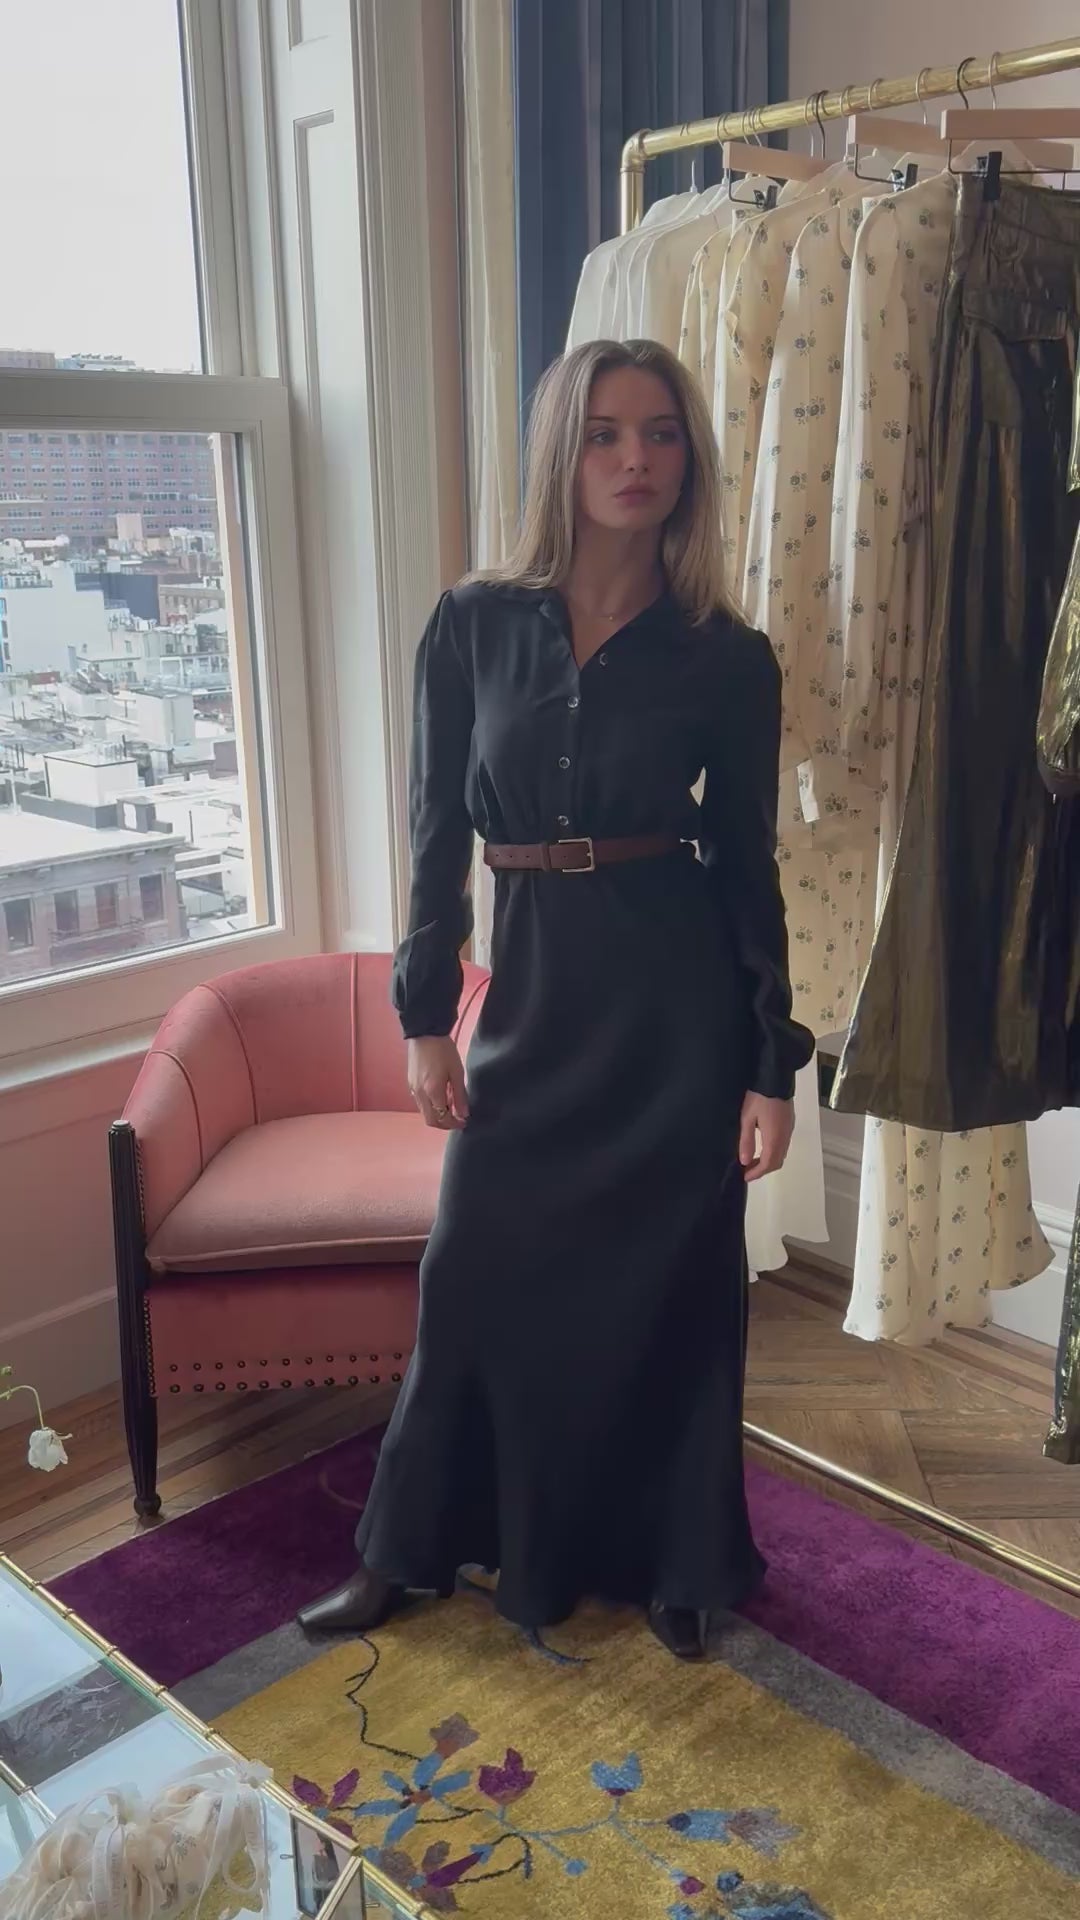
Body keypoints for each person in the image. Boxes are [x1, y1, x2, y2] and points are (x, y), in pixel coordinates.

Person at [299, 338, 814, 1660]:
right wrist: (425, 1018)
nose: (636, 460)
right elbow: (433, 838)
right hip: (529, 1008)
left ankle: (679, 1564)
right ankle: (403, 1550)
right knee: (470, 1273)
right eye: (604, 433)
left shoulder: (725, 656)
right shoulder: (471, 624)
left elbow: (746, 865)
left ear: (689, 458)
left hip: (674, 1013)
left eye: (661, 434)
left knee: (678, 1294)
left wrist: (769, 1061)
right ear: (561, 454)